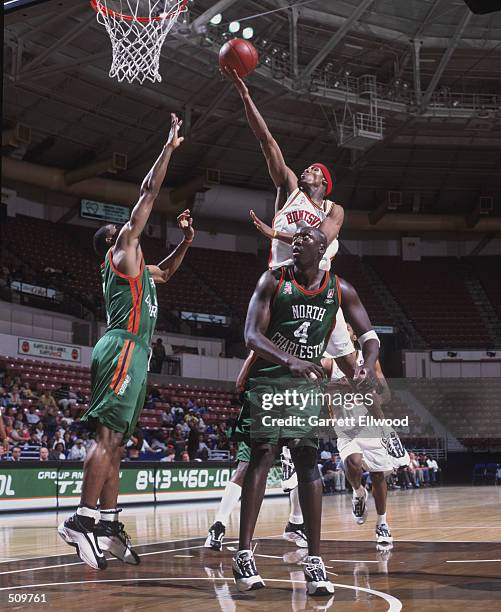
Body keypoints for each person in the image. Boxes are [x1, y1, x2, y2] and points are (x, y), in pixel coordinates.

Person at [58, 113, 193, 571]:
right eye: (123, 228)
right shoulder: (122, 253)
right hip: (122, 347)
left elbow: (169, 271)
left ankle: (107, 520)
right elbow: (147, 194)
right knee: (107, 436)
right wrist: (169, 148)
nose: (129, 225)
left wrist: (188, 239)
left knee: (118, 443)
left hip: (135, 352)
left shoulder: (141, 270)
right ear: (114, 243)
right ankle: (81, 518)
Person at [231, 226, 380, 596]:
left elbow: (370, 336)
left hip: (305, 388)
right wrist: (290, 360)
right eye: (294, 240)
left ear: (323, 248)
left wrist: (365, 364)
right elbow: (250, 335)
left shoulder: (339, 289)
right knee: (262, 457)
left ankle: (315, 559)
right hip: (269, 379)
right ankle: (243, 552)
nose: (296, 243)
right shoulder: (272, 280)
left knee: (308, 462)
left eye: (305, 239)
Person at [222, 66, 357, 378]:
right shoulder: (289, 189)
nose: (306, 170)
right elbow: (266, 139)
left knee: (352, 365)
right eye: (306, 168)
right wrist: (244, 94)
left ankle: (384, 427)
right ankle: (249, 381)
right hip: (282, 282)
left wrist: (276, 234)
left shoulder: (334, 210)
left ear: (324, 183)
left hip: (318, 288)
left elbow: (319, 243)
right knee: (264, 344)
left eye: (313, 169)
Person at [321, 326, 409, 550]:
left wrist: (369, 394)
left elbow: (386, 393)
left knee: (379, 475)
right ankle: (358, 492)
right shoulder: (329, 360)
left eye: (348, 328)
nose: (344, 331)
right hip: (345, 427)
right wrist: (340, 385)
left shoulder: (367, 361)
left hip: (369, 425)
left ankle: (382, 523)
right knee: (354, 462)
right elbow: (316, 386)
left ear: (352, 336)